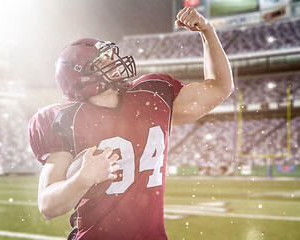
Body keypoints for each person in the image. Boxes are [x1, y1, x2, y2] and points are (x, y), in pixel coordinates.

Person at [28, 7, 234, 240]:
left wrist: (207, 31)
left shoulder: (153, 95)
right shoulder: (64, 120)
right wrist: (82, 179)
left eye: (111, 56)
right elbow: (48, 205)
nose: (115, 63)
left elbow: (220, 88)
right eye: (103, 61)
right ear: (81, 77)